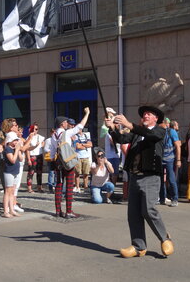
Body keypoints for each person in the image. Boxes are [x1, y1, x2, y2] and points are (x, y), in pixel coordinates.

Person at [106, 106, 174, 258]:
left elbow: (149, 135)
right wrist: (112, 128)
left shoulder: (160, 131)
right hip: (134, 176)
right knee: (134, 213)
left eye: (149, 114)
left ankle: (165, 238)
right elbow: (122, 139)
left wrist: (128, 124)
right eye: (144, 114)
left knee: (148, 210)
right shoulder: (136, 133)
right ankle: (138, 246)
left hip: (150, 177)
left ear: (156, 118)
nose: (145, 115)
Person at [50, 107, 90, 218]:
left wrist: (54, 160)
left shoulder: (53, 135)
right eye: (66, 122)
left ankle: (58, 211)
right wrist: (87, 113)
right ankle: (68, 211)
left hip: (58, 161)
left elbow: (52, 151)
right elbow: (80, 126)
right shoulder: (66, 133)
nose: (68, 124)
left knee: (58, 185)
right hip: (67, 161)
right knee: (69, 185)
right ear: (62, 124)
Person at [160, 118, 181, 207]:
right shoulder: (159, 132)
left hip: (170, 159)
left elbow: (177, 146)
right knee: (160, 180)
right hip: (160, 159)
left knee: (171, 179)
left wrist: (178, 160)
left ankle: (175, 198)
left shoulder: (171, 132)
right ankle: (162, 198)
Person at [3, 131, 24, 218]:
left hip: (15, 171)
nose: (16, 142)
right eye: (14, 140)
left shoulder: (15, 148)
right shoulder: (8, 149)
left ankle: (12, 209)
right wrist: (17, 150)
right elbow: (12, 160)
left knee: (12, 191)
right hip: (9, 171)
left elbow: (21, 159)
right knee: (8, 191)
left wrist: (18, 150)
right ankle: (5, 210)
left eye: (16, 140)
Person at [26, 123, 45, 193]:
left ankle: (39, 187)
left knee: (39, 172)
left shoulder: (40, 137)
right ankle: (29, 188)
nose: (35, 130)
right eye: (34, 129)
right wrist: (28, 159)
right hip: (32, 156)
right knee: (31, 172)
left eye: (37, 129)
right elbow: (27, 149)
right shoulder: (29, 138)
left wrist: (43, 145)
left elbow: (43, 144)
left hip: (39, 155)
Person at [74, 127, 92, 193]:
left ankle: (85, 187)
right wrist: (85, 145)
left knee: (86, 173)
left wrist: (82, 144)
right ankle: (77, 187)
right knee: (77, 173)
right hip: (78, 157)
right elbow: (77, 146)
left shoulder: (86, 136)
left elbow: (90, 145)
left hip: (86, 157)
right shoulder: (75, 136)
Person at [43, 129, 56, 193]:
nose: (54, 133)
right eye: (53, 132)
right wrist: (51, 151)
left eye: (55, 132)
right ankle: (50, 187)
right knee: (51, 173)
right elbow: (45, 149)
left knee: (57, 173)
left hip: (57, 158)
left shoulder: (58, 140)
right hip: (50, 157)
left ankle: (56, 186)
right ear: (51, 133)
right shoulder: (48, 140)